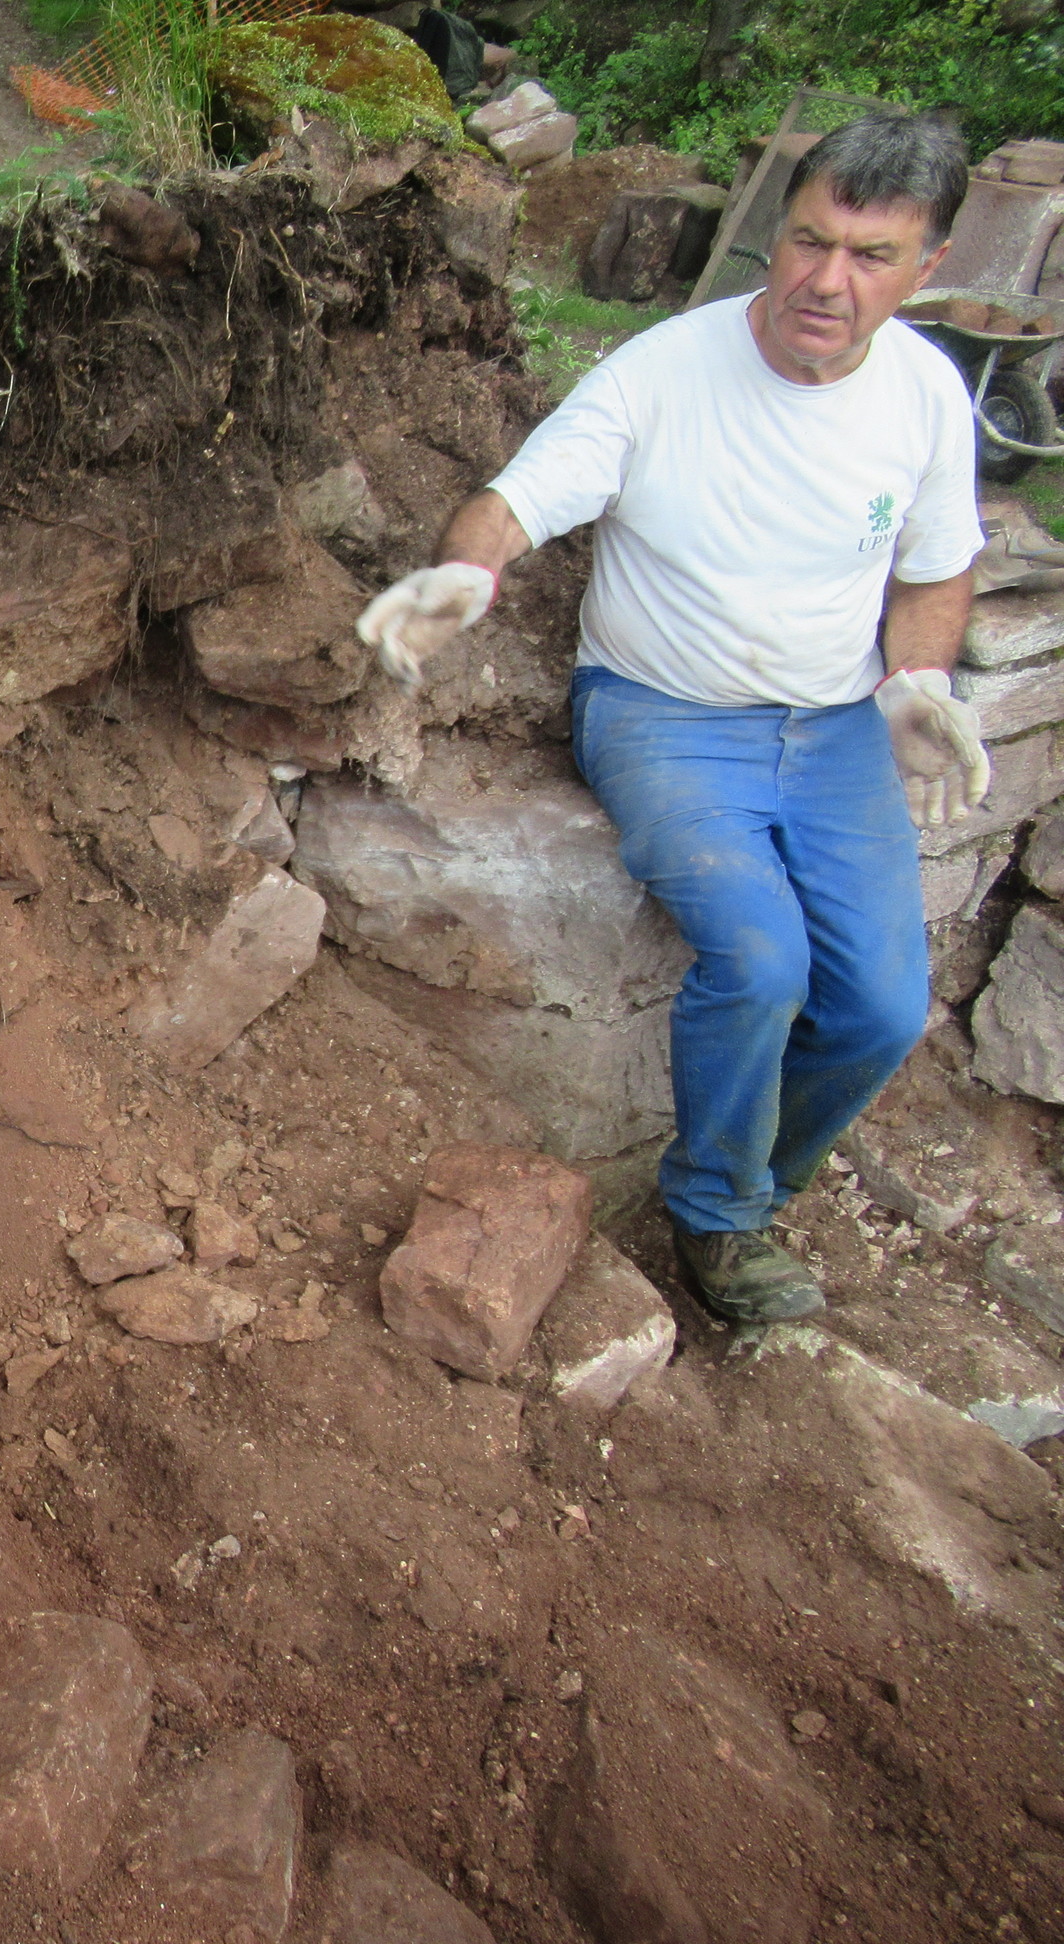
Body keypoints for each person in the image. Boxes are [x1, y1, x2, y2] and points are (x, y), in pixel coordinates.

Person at [356, 111, 993, 1325]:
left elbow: (936, 566)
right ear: (777, 232)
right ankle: (717, 1217)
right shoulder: (664, 374)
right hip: (664, 714)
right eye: (809, 240)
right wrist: (465, 573)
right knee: (761, 961)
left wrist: (919, 683)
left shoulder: (924, 393)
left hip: (835, 726)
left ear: (930, 267)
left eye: (870, 256)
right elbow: (516, 498)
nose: (826, 281)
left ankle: (757, 1182)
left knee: (882, 1008)